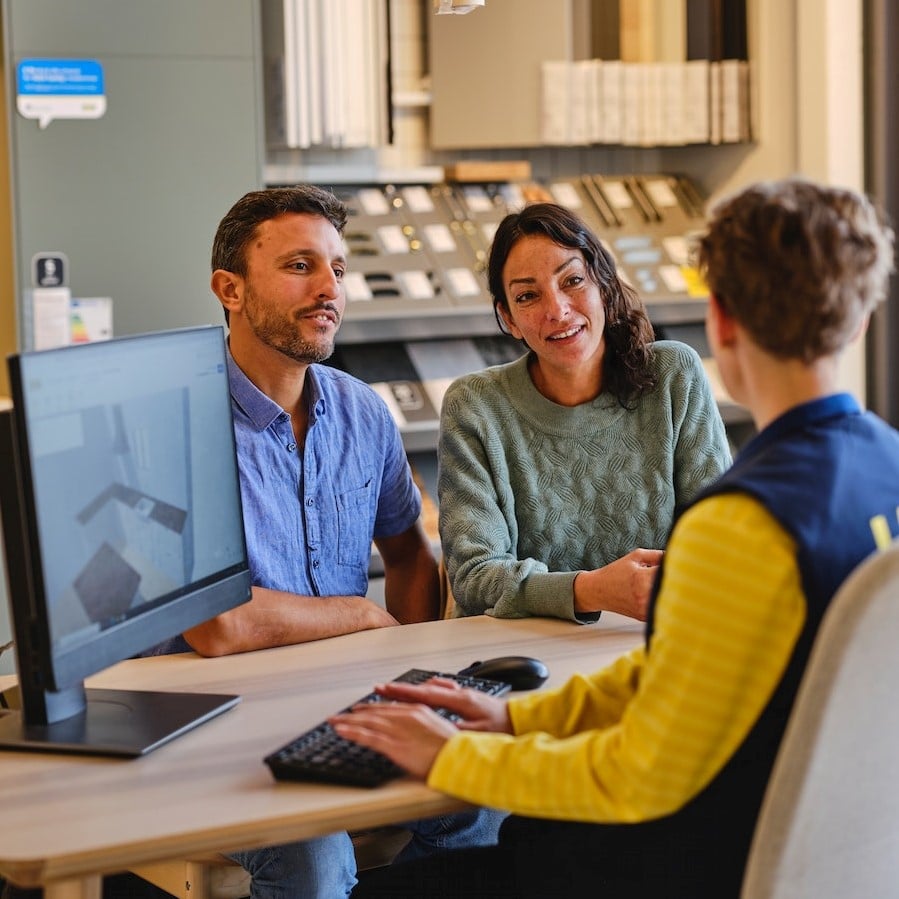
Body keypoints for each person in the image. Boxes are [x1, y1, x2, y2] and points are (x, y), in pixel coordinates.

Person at [331, 178, 899, 898]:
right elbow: (676, 668)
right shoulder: (887, 468)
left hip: (693, 858)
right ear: (856, 322)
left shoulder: (740, 523)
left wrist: (452, 758)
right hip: (825, 854)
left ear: (718, 320)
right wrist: (514, 715)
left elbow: (635, 773)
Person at [146, 185, 503, 898]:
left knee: (483, 797)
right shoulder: (175, 421)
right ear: (230, 289)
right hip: (212, 724)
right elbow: (217, 624)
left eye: (337, 269)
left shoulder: (360, 411)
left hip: (339, 704)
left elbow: (409, 552)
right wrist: (366, 617)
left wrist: (407, 675)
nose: (328, 289)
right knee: (311, 859)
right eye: (300, 266)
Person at [438, 202, 730, 623]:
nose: (556, 310)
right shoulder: (475, 406)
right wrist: (594, 591)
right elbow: (473, 575)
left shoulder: (674, 377)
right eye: (527, 296)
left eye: (572, 280)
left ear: (604, 285)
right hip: (518, 654)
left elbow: (718, 540)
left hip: (653, 641)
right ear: (509, 318)